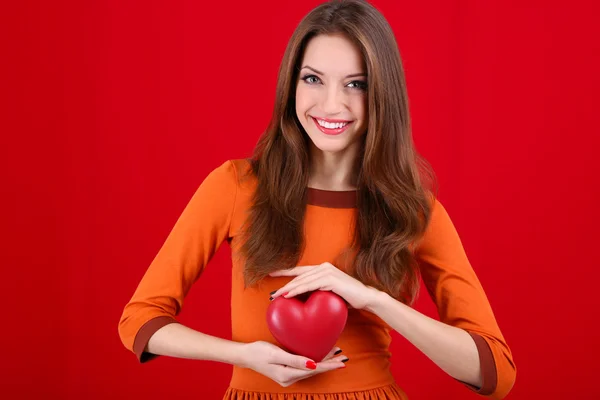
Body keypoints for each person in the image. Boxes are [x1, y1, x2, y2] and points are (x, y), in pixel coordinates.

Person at [118, 0, 516, 399]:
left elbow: (496, 372)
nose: (330, 104)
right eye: (313, 79)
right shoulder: (235, 186)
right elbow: (139, 321)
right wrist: (244, 356)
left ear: (382, 94)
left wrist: (372, 299)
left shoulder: (413, 210)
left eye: (355, 84)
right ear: (291, 83)